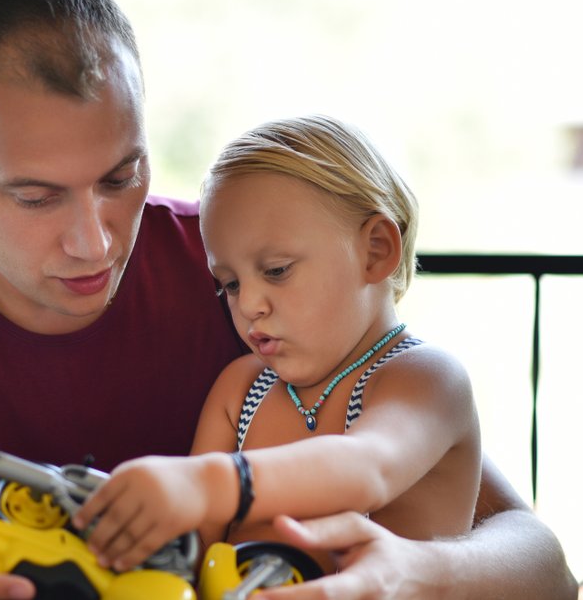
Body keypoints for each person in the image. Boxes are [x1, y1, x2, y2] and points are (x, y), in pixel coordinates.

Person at [0, 0, 577, 600]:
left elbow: (540, 563)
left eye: (121, 176)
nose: (94, 240)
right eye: (35, 195)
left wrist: (416, 577)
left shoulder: (233, 269)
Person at [73, 116, 481, 578]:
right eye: (228, 283)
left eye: (277, 270)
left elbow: (368, 469)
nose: (248, 304)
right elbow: (190, 550)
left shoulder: (424, 378)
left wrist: (208, 483)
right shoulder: (240, 390)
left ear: (375, 251)